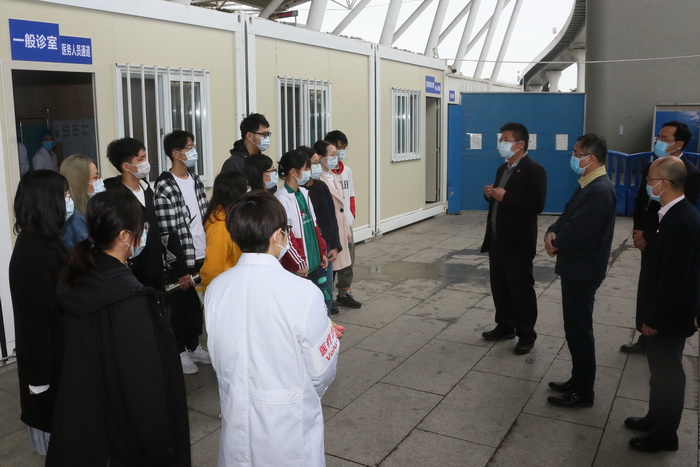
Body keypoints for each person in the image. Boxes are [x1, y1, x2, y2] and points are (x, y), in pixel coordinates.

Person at [46, 191, 191, 466]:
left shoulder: (82, 275)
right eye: (141, 228)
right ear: (124, 236)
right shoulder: (128, 299)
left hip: (92, 421)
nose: (144, 234)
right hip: (125, 438)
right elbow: (143, 382)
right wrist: (162, 446)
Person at [204, 190, 338, 466]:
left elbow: (218, 354)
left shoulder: (216, 288)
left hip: (236, 418)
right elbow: (321, 371)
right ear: (278, 235)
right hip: (288, 427)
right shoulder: (303, 292)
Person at [624, 156, 700, 453]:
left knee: (668, 373)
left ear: (665, 183)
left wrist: (653, 318)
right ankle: (655, 417)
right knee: (659, 370)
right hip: (663, 309)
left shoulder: (682, 221)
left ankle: (665, 435)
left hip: (669, 316)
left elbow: (673, 280)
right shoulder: (668, 214)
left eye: (650, 180)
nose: (647, 185)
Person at [544, 134, 616, 408]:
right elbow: (568, 216)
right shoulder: (588, 183)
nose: (572, 158)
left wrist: (557, 243)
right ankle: (577, 380)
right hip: (577, 267)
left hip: (583, 270)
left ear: (592, 159)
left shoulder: (600, 190)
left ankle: (584, 392)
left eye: (576, 154)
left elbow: (580, 229)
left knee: (579, 331)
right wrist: (552, 231)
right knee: (574, 329)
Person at [621, 120, 700, 354]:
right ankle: (645, 334)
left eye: (665, 139)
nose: (659, 142)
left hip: (663, 237)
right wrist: (638, 231)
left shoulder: (690, 173)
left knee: (665, 281)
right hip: (646, 236)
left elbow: (676, 209)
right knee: (648, 285)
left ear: (679, 144)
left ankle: (658, 333)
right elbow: (641, 201)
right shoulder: (652, 167)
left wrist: (649, 235)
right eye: (659, 137)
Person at [9, 170, 69, 455]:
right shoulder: (31, 252)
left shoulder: (49, 241)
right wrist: (39, 379)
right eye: (64, 195)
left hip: (61, 352)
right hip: (48, 364)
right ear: (47, 202)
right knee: (54, 435)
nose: (68, 201)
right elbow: (33, 322)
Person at [480, 122, 547, 355]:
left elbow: (536, 205)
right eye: (501, 140)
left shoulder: (534, 170)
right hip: (497, 240)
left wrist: (506, 196)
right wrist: (491, 195)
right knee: (500, 286)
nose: (501, 144)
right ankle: (505, 326)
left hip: (518, 243)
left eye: (506, 140)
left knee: (521, 290)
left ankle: (526, 334)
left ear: (520, 144)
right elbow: (499, 200)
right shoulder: (503, 168)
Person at [154, 130, 210, 375]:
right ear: (176, 153)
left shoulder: (195, 179)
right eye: (189, 147)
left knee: (196, 306)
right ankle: (179, 351)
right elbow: (166, 232)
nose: (193, 151)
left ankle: (193, 345)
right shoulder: (164, 185)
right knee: (179, 307)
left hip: (201, 251)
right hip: (182, 257)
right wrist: (179, 269)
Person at [105, 137, 169, 290]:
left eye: (145, 157)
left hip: (156, 270)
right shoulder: (115, 197)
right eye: (141, 159)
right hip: (133, 274)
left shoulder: (147, 189)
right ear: (126, 166)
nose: (146, 162)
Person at [299, 145, 341, 314]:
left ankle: (327, 321)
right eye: (314, 163)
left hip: (327, 247)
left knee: (326, 290)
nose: (317, 167)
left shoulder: (321, 186)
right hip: (310, 250)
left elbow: (331, 217)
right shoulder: (299, 192)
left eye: (318, 162)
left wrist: (335, 245)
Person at [325, 130, 362, 309]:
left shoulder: (347, 171)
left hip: (346, 224)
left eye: (343, 149)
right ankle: (328, 296)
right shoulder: (323, 175)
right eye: (337, 149)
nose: (340, 153)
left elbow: (351, 195)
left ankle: (343, 293)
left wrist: (351, 216)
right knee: (332, 261)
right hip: (331, 226)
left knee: (348, 260)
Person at [199, 171, 247, 289]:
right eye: (245, 188)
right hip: (226, 290)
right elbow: (212, 269)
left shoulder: (232, 218)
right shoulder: (220, 227)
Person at [60, 155, 104, 249]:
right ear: (80, 182)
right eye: (95, 177)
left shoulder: (88, 208)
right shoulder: (74, 217)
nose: (99, 181)